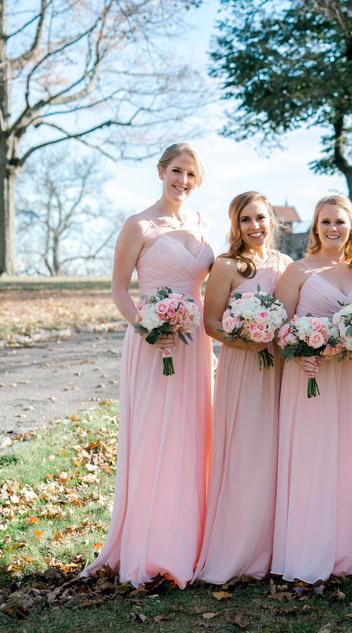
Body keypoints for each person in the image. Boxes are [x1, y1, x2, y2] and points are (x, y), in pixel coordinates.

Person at [83, 143, 213, 587]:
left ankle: (191, 543)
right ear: (161, 171)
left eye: (191, 175)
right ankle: (150, 546)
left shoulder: (201, 223)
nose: (183, 181)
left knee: (193, 437)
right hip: (153, 342)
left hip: (194, 346)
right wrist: (147, 327)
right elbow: (119, 288)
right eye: (177, 171)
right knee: (156, 436)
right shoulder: (138, 224)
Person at [271, 195, 352, 583]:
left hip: (350, 375)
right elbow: (279, 326)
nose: (333, 228)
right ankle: (308, 550)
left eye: (340, 222)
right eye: (326, 221)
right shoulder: (298, 270)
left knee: (349, 455)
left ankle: (348, 548)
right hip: (310, 375)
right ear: (315, 227)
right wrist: (300, 353)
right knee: (312, 458)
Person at [194, 192, 291, 584]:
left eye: (260, 218)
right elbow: (211, 323)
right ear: (235, 225)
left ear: (272, 221)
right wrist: (245, 339)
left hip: (278, 366)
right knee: (245, 452)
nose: (255, 226)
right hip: (242, 366)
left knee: (275, 453)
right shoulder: (226, 265)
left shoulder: (285, 265)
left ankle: (273, 548)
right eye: (246, 219)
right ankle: (236, 550)